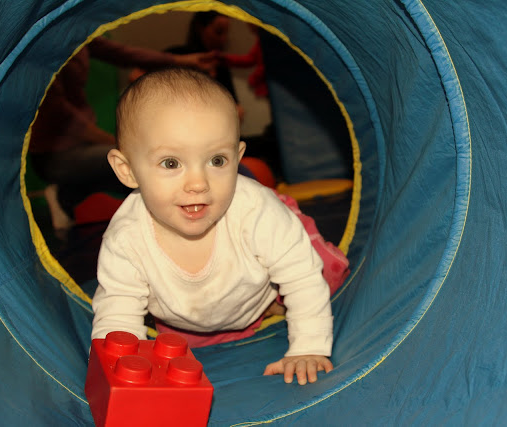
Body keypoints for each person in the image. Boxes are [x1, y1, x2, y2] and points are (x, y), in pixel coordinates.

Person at [91, 67, 334, 385]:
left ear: (237, 157)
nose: (198, 183)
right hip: (188, 317)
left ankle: (274, 300)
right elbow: (118, 310)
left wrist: (309, 347)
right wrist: (123, 375)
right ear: (127, 170)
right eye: (171, 163)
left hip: (262, 269)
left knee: (322, 271)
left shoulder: (255, 212)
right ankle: (262, 310)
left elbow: (303, 276)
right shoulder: (126, 237)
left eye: (217, 161)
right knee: (184, 348)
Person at [29, 36, 217, 230]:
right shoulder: (44, 49)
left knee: (135, 171)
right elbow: (61, 115)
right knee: (136, 168)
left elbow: (123, 53)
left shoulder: (80, 35)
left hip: (83, 145)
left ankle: (67, 194)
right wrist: (118, 144)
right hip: (54, 154)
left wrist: (182, 60)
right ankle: (68, 196)